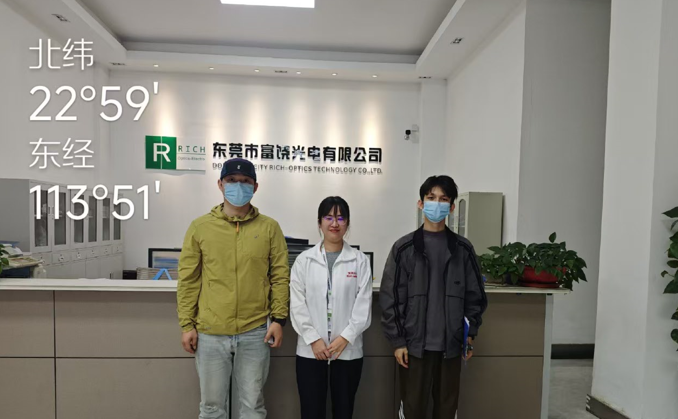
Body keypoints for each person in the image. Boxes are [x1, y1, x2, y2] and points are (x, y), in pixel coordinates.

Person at [177, 158, 290, 419]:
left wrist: (279, 319)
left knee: (253, 406)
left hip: (255, 331)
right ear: (220, 184)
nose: (238, 186)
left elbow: (280, 276)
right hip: (210, 332)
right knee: (211, 408)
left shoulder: (269, 228)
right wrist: (187, 324)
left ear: (255, 186)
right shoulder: (200, 227)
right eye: (231, 180)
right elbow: (189, 279)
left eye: (245, 181)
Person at [380, 175, 488, 419]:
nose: (436, 204)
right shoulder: (404, 248)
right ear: (421, 203)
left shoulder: (463, 249)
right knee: (412, 409)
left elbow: (475, 297)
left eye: (443, 199)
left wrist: (469, 335)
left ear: (452, 207)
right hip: (414, 347)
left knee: (446, 410)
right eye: (431, 198)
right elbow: (391, 298)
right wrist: (398, 341)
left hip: (451, 346)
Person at [290, 196, 373, 419]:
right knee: (311, 411)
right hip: (311, 350)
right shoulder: (304, 261)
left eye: (340, 218)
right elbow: (297, 304)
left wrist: (345, 338)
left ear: (348, 223)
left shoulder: (360, 261)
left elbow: (363, 306)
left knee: (344, 411)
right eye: (328, 217)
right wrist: (313, 339)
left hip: (346, 350)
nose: (335, 223)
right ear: (319, 222)